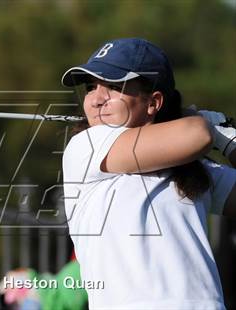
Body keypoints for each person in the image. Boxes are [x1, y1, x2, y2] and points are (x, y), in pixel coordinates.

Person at [61, 38, 236, 309]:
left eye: (113, 86)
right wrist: (208, 128)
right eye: (91, 87)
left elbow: (195, 136)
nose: (96, 99)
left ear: (153, 102)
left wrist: (229, 142)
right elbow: (197, 134)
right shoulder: (87, 145)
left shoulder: (193, 170)